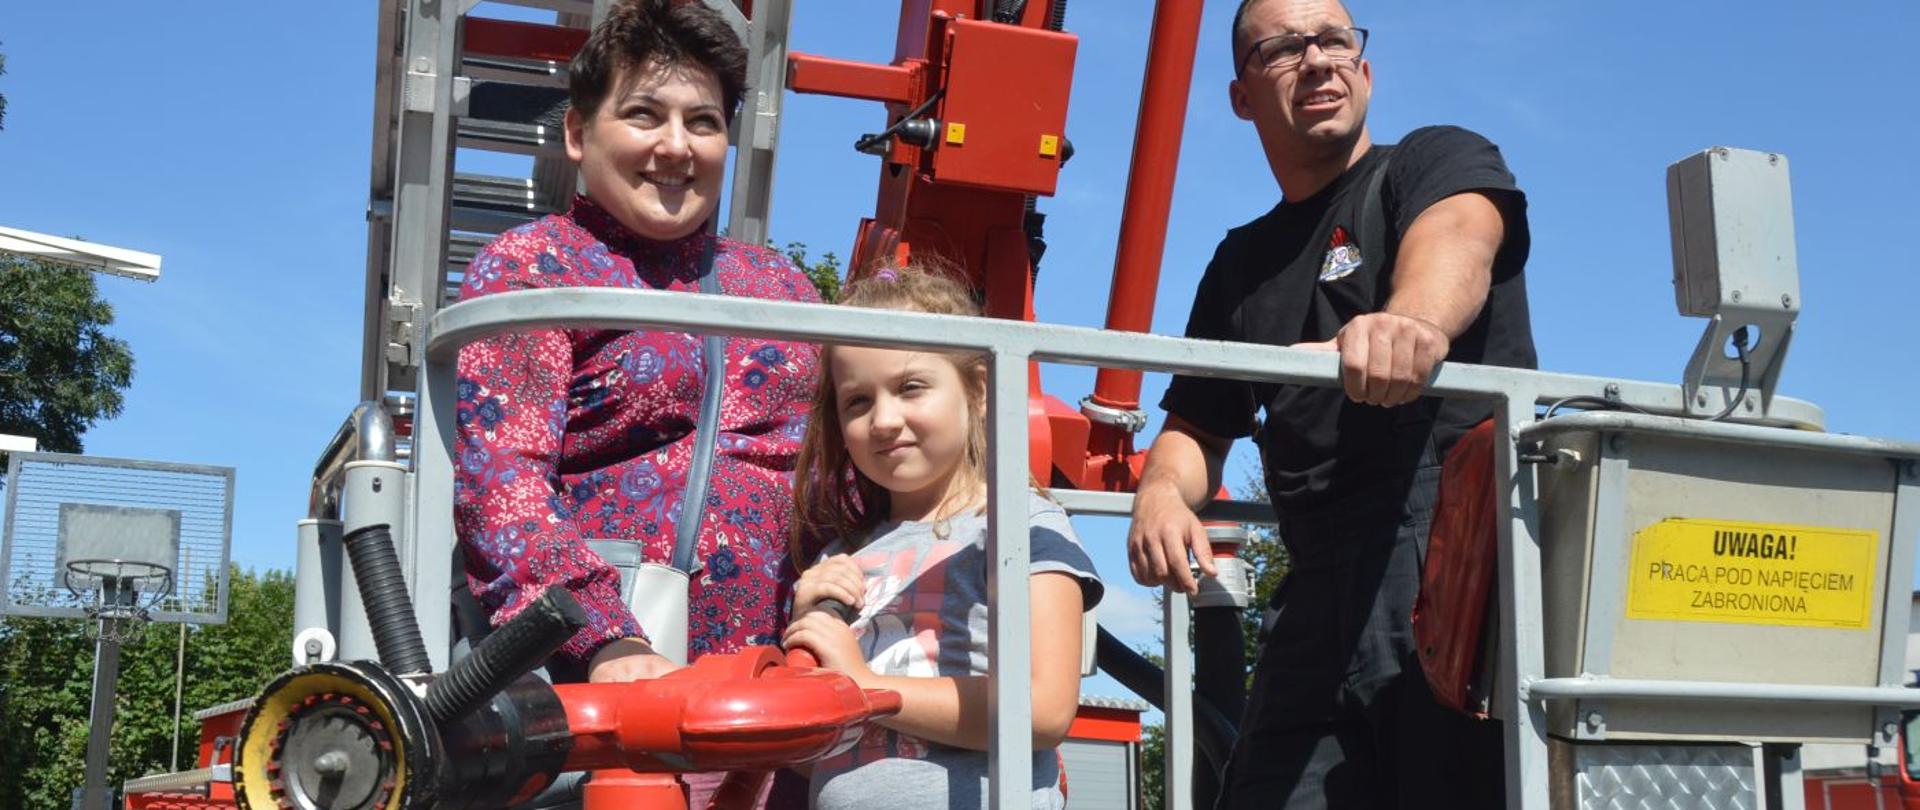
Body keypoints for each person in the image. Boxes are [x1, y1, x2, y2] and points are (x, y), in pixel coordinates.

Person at [1126, 0, 1535, 807]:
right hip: (1313, 579)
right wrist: (1161, 492)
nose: (1316, 60)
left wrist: (1409, 324)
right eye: (1281, 48)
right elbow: (1197, 427)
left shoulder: (1433, 161)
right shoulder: (1241, 264)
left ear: (1366, 69)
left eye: (1333, 41)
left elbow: (1460, 235)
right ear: (1241, 96)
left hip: (1452, 548)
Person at [453, 0, 820, 691]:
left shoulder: (781, 286)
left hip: (782, 689)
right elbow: (503, 487)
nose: (678, 146)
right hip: (602, 692)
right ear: (576, 131)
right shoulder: (537, 267)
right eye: (645, 114)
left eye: (703, 122)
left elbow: (849, 468)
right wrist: (604, 641)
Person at [782, 266, 1103, 810]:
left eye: (910, 388)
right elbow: (800, 752)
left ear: (978, 389)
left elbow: (1044, 710)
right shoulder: (839, 558)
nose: (883, 419)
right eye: (857, 401)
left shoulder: (1019, 526)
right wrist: (804, 630)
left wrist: (865, 688)